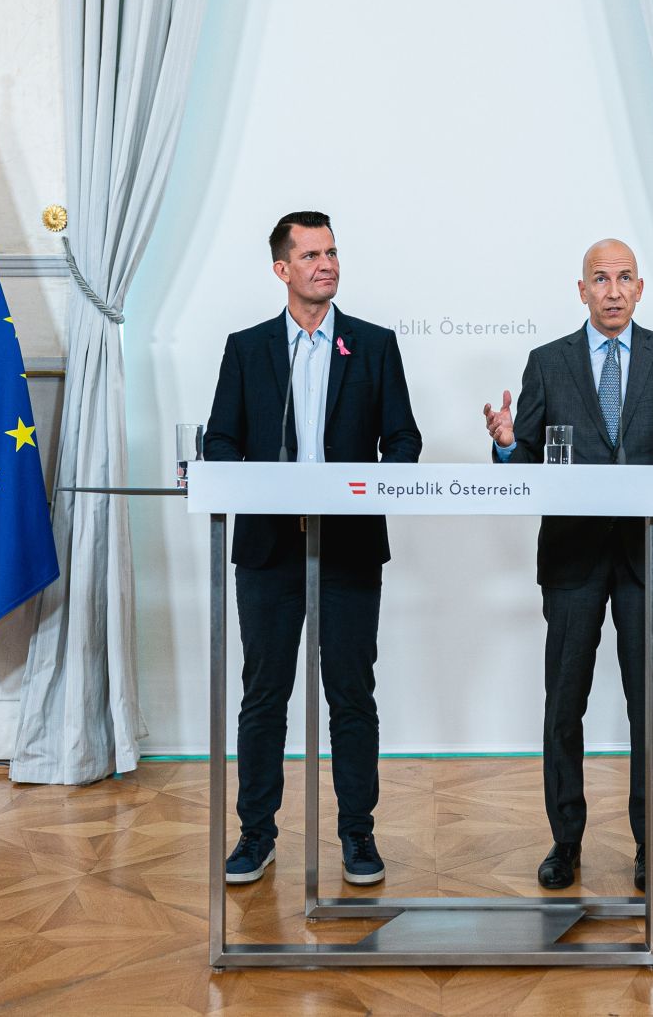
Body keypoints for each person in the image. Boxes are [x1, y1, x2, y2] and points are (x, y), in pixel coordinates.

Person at [483, 239, 653, 891]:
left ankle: (651, 845)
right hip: (571, 557)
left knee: (648, 705)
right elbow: (526, 454)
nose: (614, 289)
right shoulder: (547, 362)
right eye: (602, 278)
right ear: (583, 290)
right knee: (563, 703)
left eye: (625, 277)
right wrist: (509, 444)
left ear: (640, 287)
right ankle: (564, 842)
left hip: (646, 559)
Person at [205, 211, 422, 887]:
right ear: (282, 269)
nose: (325, 264)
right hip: (270, 550)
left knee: (351, 696)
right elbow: (219, 443)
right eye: (310, 255)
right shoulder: (247, 348)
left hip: (350, 548)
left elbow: (405, 441)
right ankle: (255, 834)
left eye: (331, 252)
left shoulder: (375, 345)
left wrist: (367, 485)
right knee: (264, 695)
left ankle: (358, 835)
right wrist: (259, 481)